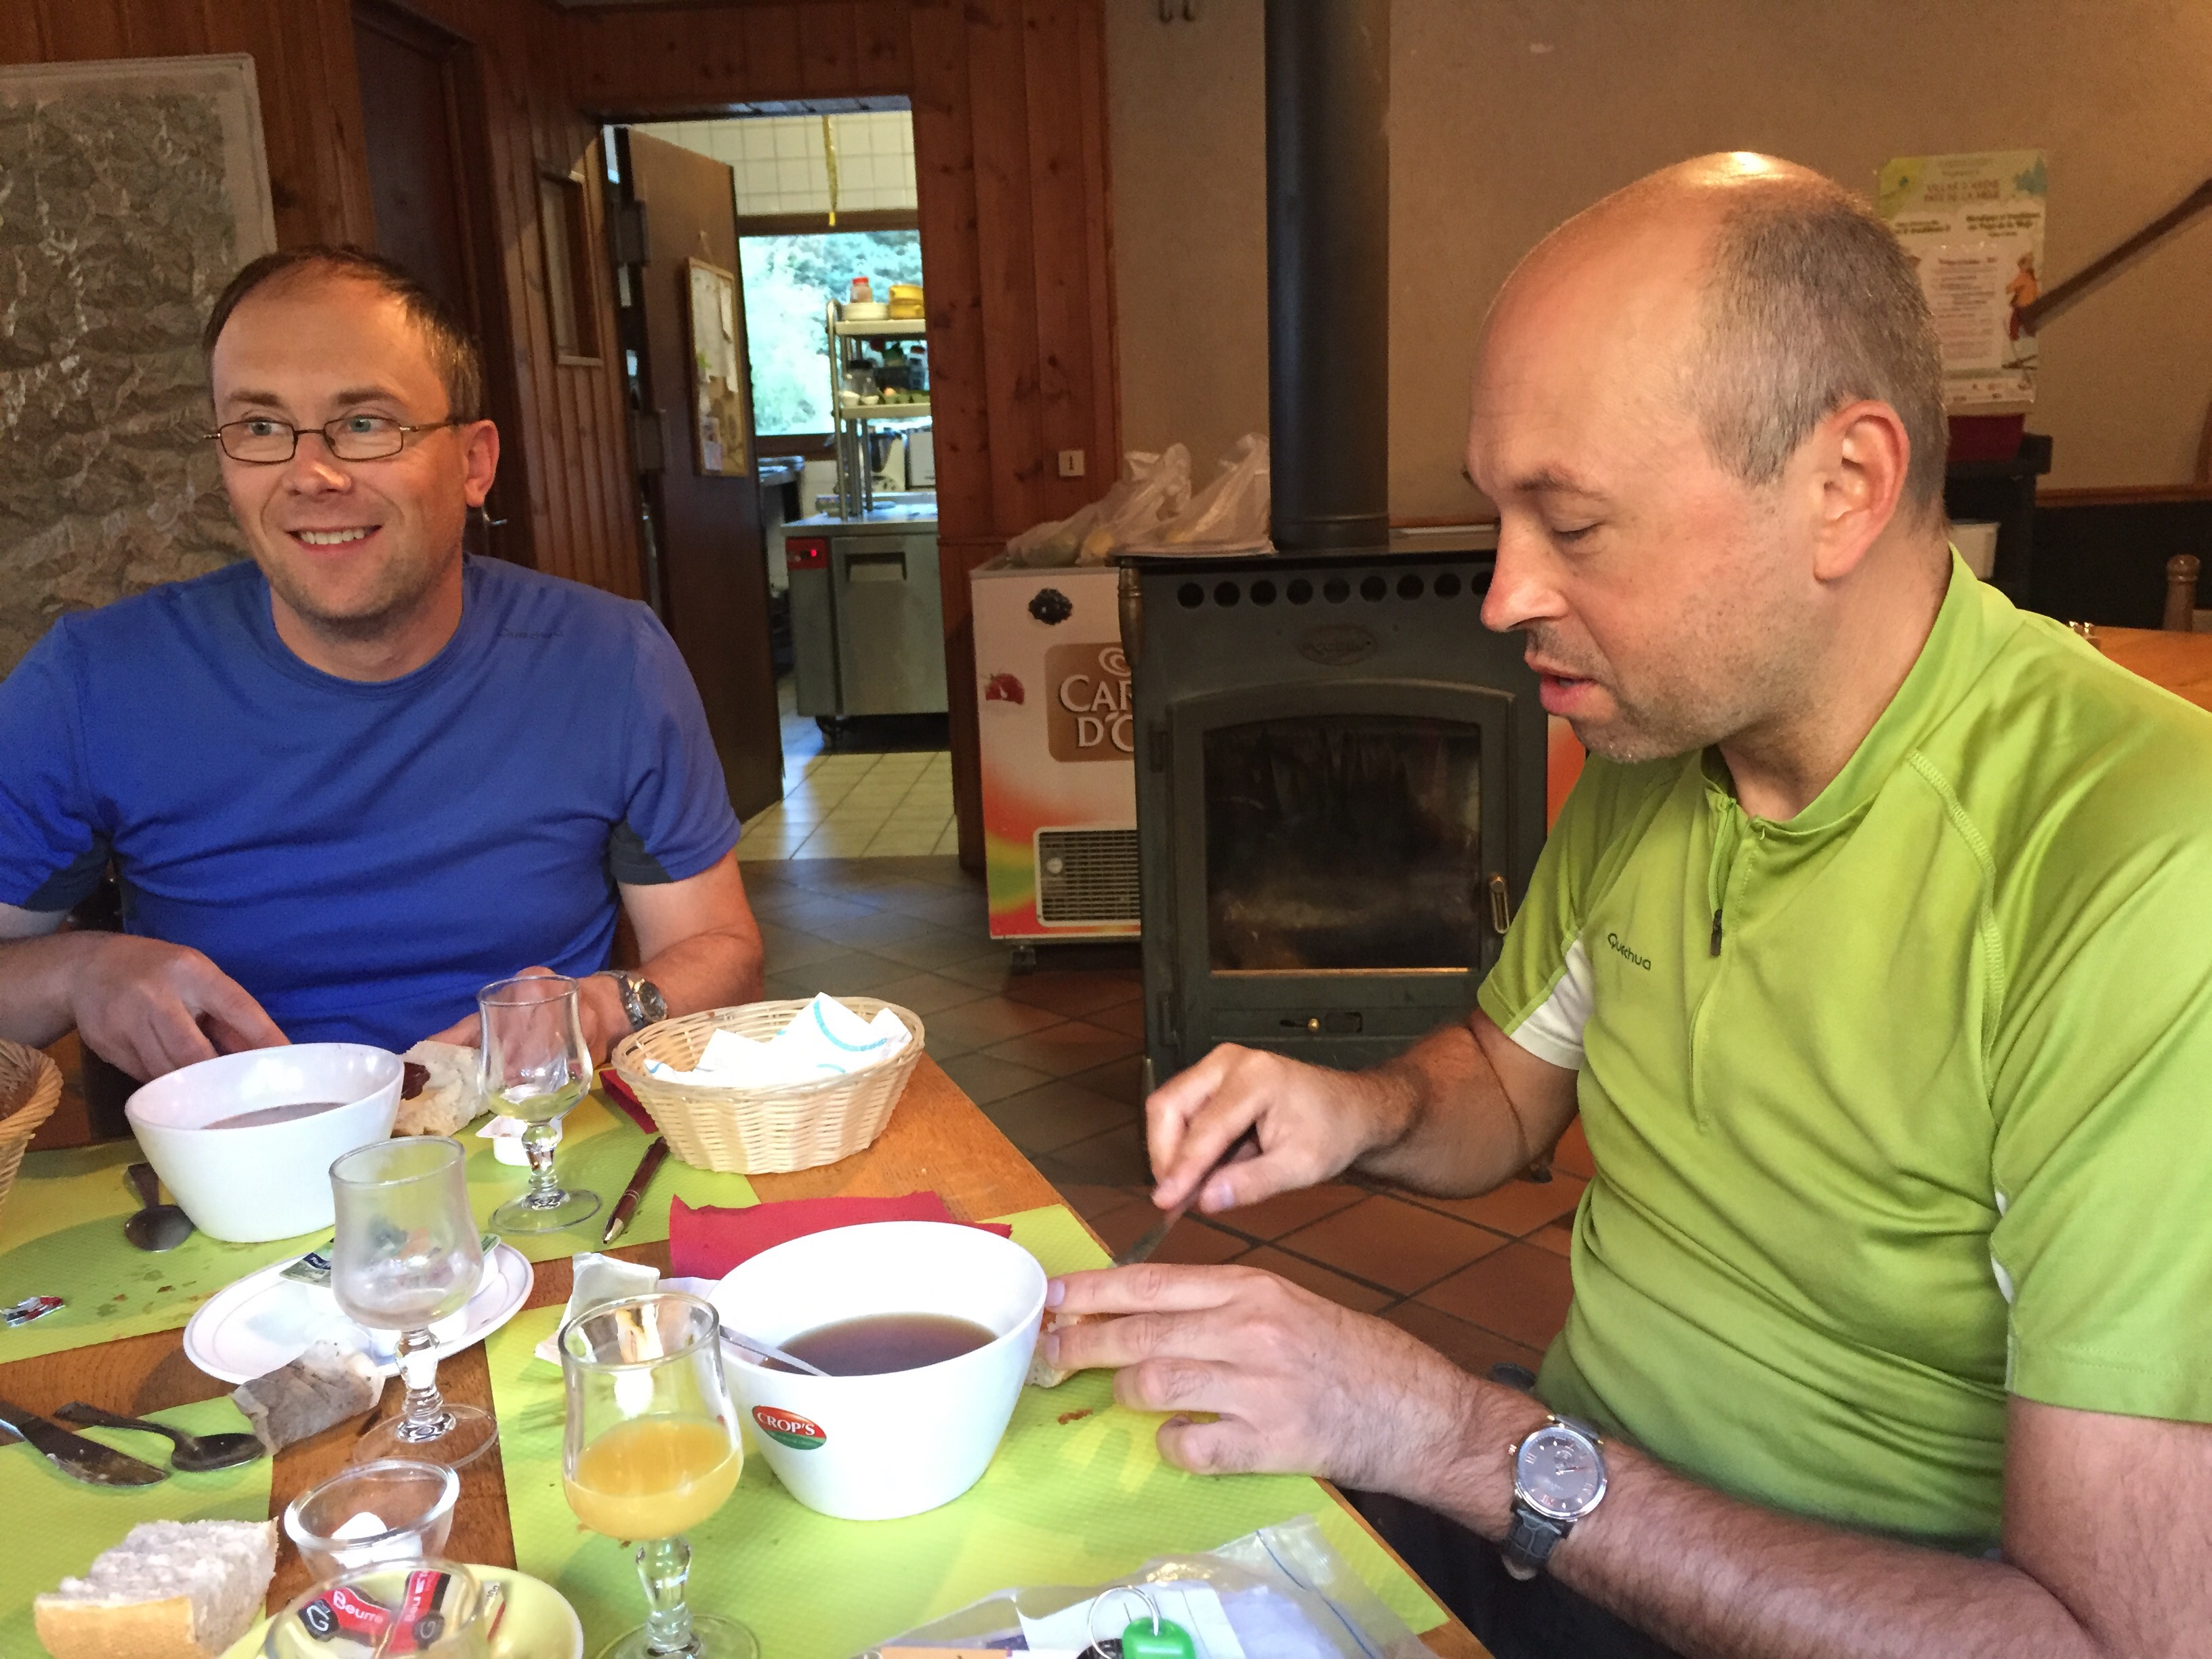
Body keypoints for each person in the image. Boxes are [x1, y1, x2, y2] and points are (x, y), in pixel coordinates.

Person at [1044, 155, 2212, 1658]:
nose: (1501, 596)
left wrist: (1452, 1437)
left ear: (1843, 487)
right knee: (1088, 1560)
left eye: (1573, 525)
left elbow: (2105, 1642)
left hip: (1815, 1605)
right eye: (1498, 517)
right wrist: (1357, 1111)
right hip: (1572, 1519)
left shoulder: (2138, 867)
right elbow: (1501, 1088)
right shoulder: (1662, 744)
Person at [0, 248, 764, 1080]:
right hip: (234, 1153)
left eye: (365, 424)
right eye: (261, 428)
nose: (311, 476)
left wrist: (608, 1006)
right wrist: (81, 972)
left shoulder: (611, 661)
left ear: (474, 463)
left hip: (529, 1140)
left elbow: (720, 949)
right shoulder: (94, 683)